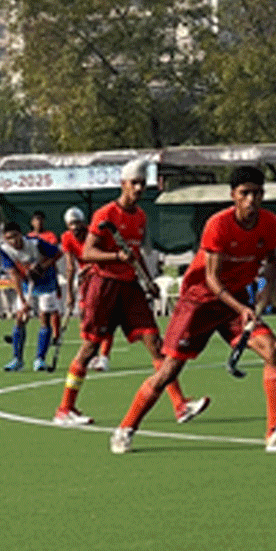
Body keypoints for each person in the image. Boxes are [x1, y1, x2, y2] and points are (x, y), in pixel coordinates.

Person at [111, 166, 276, 454]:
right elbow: (212, 280)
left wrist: (263, 298)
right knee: (168, 372)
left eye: (256, 193)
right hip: (199, 302)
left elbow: (271, 265)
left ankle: (275, 431)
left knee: (274, 349)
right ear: (233, 195)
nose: (251, 200)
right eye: (244, 193)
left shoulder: (269, 222)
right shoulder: (218, 224)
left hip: (234, 301)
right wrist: (242, 308)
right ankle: (125, 428)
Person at [52, 158, 207, 426]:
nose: (138, 188)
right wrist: (115, 256)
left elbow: (135, 254)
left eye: (142, 184)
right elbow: (88, 253)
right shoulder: (105, 214)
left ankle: (180, 405)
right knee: (90, 348)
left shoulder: (141, 216)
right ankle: (65, 409)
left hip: (130, 286)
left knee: (155, 343)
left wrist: (148, 280)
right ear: (123, 184)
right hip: (104, 286)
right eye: (133, 183)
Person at [0, 221, 63, 371]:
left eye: (15, 236)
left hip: (47, 283)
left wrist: (42, 267)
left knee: (44, 317)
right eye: (9, 238)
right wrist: (22, 300)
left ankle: (40, 359)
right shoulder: (5, 250)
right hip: (27, 284)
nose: (13, 241)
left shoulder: (35, 243)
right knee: (20, 318)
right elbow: (14, 275)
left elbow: (58, 253)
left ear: (20, 234)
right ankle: (17, 360)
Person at [61, 207, 112, 370]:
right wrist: (69, 293)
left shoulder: (94, 233)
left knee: (104, 317)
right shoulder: (66, 238)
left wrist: (89, 268)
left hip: (103, 275)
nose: (75, 228)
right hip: (86, 280)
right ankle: (91, 354)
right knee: (85, 317)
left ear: (83, 223)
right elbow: (70, 267)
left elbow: (104, 256)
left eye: (77, 224)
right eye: (71, 225)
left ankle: (104, 357)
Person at [29, 210, 63, 343]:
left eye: (41, 220)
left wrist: (43, 266)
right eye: (36, 220)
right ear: (32, 222)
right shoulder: (29, 237)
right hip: (34, 275)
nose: (39, 222)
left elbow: (53, 253)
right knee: (38, 308)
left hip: (49, 274)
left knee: (52, 308)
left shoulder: (50, 235)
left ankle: (56, 334)